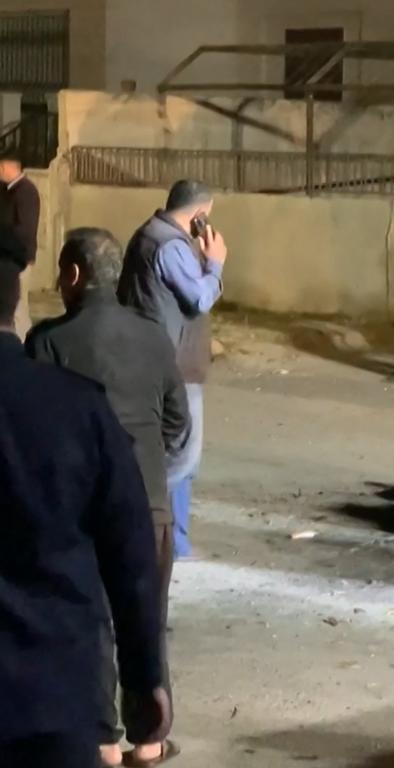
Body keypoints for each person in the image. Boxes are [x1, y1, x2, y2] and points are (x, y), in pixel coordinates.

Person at [27, 228, 190, 767]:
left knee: (93, 620)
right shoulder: (154, 337)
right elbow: (176, 422)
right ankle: (150, 738)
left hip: (81, 510)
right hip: (149, 503)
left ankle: (102, 739)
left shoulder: (49, 341)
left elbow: (41, 426)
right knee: (148, 617)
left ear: (73, 275)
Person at [119, 180, 227, 560]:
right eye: (207, 217)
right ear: (199, 215)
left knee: (175, 454)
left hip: (156, 360)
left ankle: (175, 540)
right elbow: (199, 298)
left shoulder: (149, 234)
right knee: (180, 456)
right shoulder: (169, 246)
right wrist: (215, 263)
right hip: (174, 367)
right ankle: (146, 528)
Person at [0, 150, 40, 339]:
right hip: (7, 258)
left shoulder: (26, 191)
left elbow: (24, 229)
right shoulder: (6, 189)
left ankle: (24, 342)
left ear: (8, 167)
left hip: (19, 258)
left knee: (16, 305)